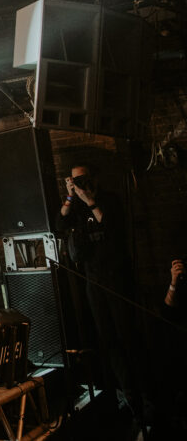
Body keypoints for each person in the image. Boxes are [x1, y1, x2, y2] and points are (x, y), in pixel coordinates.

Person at [56, 164, 145, 429]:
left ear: (92, 178)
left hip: (116, 278)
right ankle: (122, 393)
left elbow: (112, 226)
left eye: (82, 178)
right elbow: (60, 223)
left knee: (127, 334)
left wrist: (89, 199)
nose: (80, 183)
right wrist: (70, 196)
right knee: (106, 338)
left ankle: (141, 394)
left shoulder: (108, 200)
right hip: (92, 281)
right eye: (75, 180)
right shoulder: (77, 207)